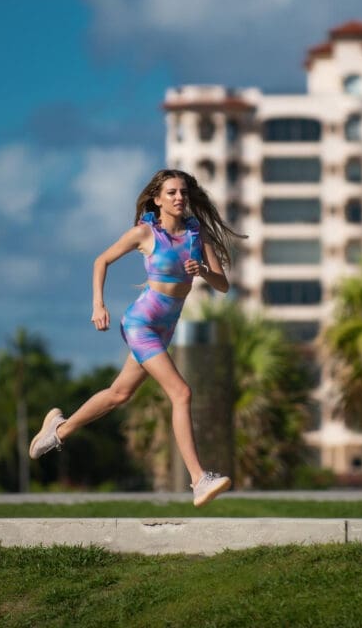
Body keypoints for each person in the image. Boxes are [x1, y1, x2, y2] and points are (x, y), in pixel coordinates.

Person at [29, 169, 244, 507]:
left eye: (183, 193)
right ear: (157, 199)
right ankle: (199, 480)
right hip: (141, 324)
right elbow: (102, 260)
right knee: (181, 392)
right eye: (171, 192)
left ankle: (58, 430)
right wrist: (98, 304)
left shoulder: (195, 235)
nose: (179, 198)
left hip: (164, 329)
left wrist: (202, 271)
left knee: (119, 394)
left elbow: (223, 285)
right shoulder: (145, 233)